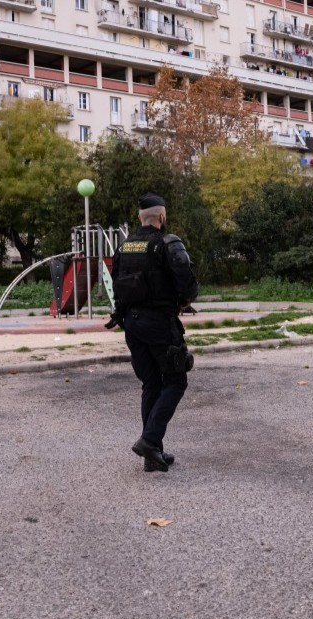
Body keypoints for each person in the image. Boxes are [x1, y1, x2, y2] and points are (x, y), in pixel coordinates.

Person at [108, 193, 199, 473]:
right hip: (160, 324)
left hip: (132, 325)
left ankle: (153, 454)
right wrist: (182, 303)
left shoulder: (123, 247)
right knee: (176, 381)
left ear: (139, 218)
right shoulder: (168, 244)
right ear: (162, 217)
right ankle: (149, 440)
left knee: (151, 382)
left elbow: (116, 287)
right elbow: (188, 286)